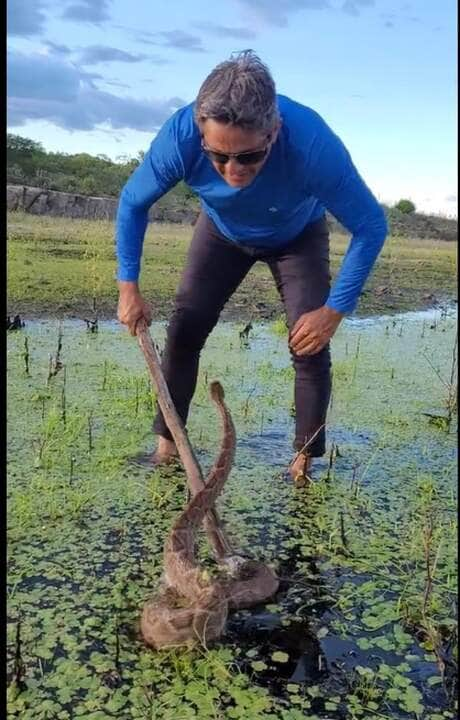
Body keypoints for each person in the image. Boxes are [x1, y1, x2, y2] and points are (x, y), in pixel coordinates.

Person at [116, 50, 387, 484]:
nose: (232, 171)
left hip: (297, 234)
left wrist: (334, 309)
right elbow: (133, 202)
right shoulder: (181, 136)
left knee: (309, 342)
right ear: (201, 132)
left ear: (273, 131)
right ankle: (167, 446)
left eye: (248, 157)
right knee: (185, 328)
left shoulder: (312, 145)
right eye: (218, 157)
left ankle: (302, 463)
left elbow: (371, 225)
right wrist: (127, 283)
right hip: (221, 232)